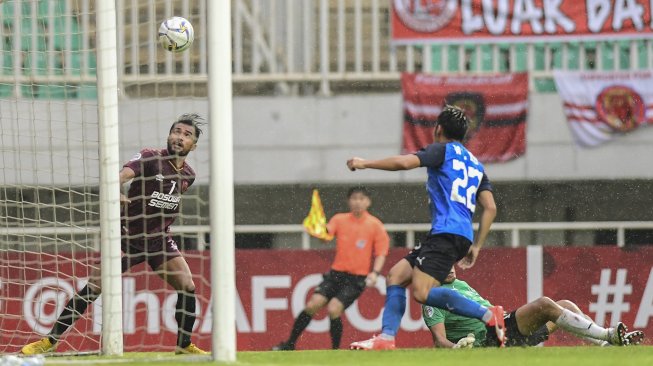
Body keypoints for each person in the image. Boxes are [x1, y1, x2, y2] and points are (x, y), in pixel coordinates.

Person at [21, 113, 209, 355]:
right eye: (176, 131)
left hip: (159, 240)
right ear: (168, 134)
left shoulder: (188, 175)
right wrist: (117, 190)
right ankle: (49, 341)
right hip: (127, 238)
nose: (179, 137)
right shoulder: (151, 157)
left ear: (194, 145)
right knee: (94, 288)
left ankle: (184, 346)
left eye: (186, 135)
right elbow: (119, 176)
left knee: (187, 285)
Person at [347, 105, 505, 350]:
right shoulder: (476, 165)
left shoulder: (441, 151)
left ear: (438, 129)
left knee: (422, 292)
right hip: (458, 235)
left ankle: (487, 314)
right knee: (396, 276)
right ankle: (386, 339)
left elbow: (404, 163)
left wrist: (365, 163)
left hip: (446, 233)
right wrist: (477, 245)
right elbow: (491, 207)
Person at [273, 186, 390, 350]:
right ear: (349, 201)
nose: (358, 202)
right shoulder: (339, 219)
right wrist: (317, 230)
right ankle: (289, 344)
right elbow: (325, 236)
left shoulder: (375, 225)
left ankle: (335, 351)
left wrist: (375, 273)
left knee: (334, 308)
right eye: (354, 198)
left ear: (368, 202)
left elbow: (381, 253)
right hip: (336, 274)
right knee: (313, 304)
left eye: (361, 199)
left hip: (357, 279)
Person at [422, 267, 645, 348]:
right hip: (491, 339)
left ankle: (604, 343)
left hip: (505, 329)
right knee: (544, 305)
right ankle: (608, 335)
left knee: (564, 305)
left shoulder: (459, 284)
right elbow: (439, 341)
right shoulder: (432, 298)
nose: (450, 266)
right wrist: (455, 348)